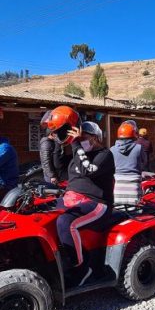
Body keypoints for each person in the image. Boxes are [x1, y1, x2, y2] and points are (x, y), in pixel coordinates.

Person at [44, 106, 115, 287]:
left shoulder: (104, 155)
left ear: (95, 138)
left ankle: (81, 268)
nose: (80, 140)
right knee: (41, 214)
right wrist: (59, 143)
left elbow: (87, 170)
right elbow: (59, 168)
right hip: (73, 198)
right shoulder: (78, 154)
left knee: (65, 222)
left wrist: (76, 144)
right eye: (78, 137)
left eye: (84, 137)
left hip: (98, 203)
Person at [110, 122, 146, 206]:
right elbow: (144, 162)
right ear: (134, 134)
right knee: (135, 215)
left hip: (117, 187)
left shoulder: (112, 149)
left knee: (120, 214)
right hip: (134, 187)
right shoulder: (139, 148)